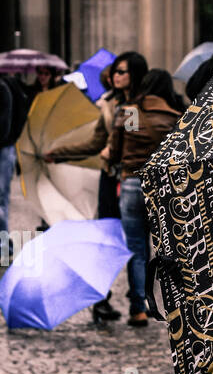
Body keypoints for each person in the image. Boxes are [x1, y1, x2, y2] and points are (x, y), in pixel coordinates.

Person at [44, 51, 148, 321]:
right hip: (111, 179)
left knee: (136, 242)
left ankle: (138, 304)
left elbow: (132, 143)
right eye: (115, 71)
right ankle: (102, 299)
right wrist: (61, 152)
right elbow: (94, 142)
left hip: (131, 177)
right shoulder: (109, 104)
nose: (116, 75)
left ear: (134, 75)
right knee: (107, 238)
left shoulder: (138, 106)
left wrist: (111, 152)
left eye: (122, 71)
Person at [106, 68, 183, 326]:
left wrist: (114, 159)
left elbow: (120, 148)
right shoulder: (174, 117)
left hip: (131, 184)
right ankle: (171, 306)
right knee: (168, 249)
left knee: (136, 250)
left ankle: (138, 308)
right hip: (162, 189)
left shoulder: (132, 113)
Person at [0, 72, 30, 254]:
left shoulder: (3, 88)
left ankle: (4, 244)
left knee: (0, 199)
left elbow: (3, 126)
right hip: (6, 148)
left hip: (3, 149)